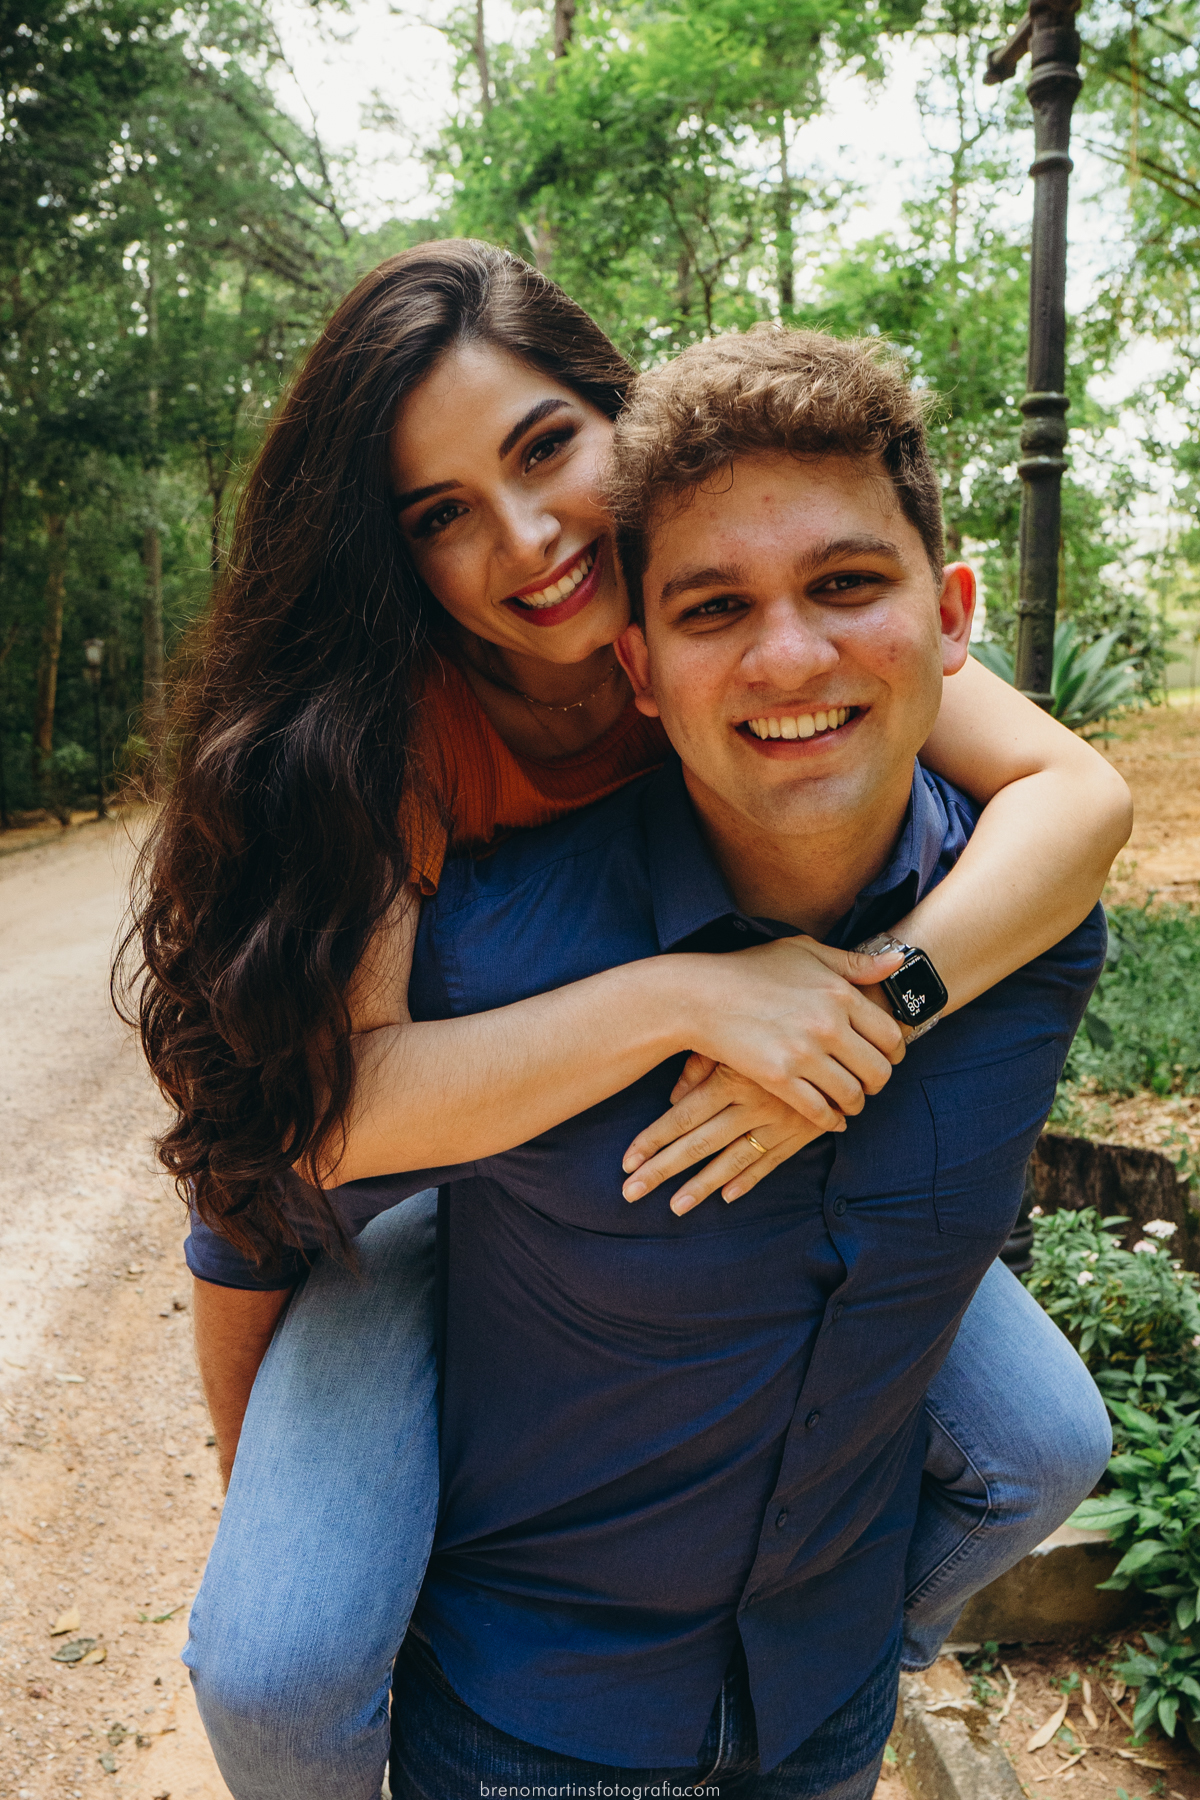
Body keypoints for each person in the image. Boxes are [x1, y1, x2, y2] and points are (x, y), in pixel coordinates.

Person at [126, 245, 1126, 1797]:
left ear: (624, 418)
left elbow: (1082, 795)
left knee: (1047, 1446)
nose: (526, 539)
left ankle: (837, 1656)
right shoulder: (390, 736)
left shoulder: (765, 612)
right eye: (440, 514)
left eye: (544, 452)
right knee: (282, 1650)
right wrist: (692, 999)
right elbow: (331, 1125)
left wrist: (882, 1015)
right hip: (442, 1179)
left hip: (713, 1144)